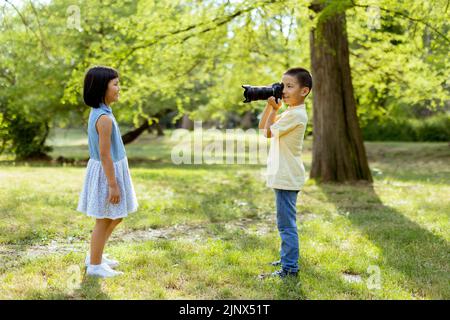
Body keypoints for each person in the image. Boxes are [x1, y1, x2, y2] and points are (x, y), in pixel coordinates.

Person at [77, 66, 138, 278]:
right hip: (107, 173)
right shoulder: (103, 119)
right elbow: (104, 155)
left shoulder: (105, 112)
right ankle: (94, 266)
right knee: (103, 219)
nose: (119, 88)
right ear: (102, 88)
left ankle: (96, 254)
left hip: (112, 169)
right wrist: (113, 184)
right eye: (115, 84)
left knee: (117, 216)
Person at [258, 67, 312, 279]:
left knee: (286, 226)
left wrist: (273, 109)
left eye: (290, 86)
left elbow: (269, 131)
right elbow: (264, 131)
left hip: (287, 177)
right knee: (284, 223)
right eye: (283, 86)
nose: (284, 90)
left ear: (304, 91)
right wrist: (271, 107)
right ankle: (286, 258)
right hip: (283, 176)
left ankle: (290, 268)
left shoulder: (296, 114)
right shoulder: (290, 112)